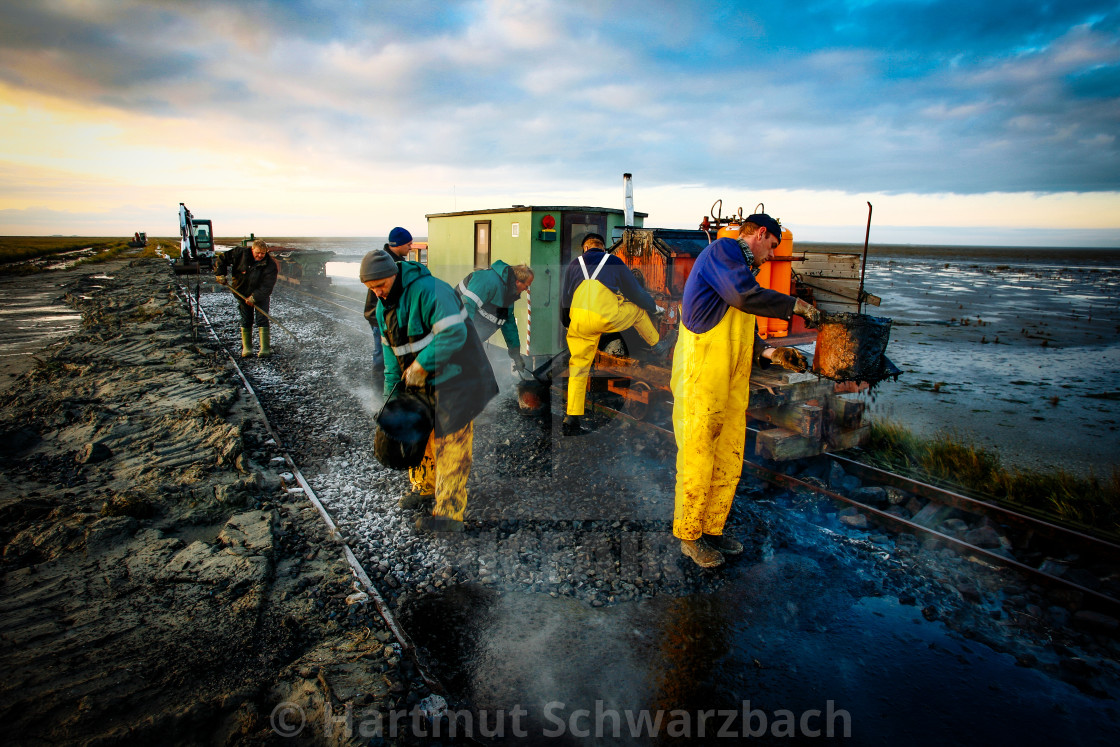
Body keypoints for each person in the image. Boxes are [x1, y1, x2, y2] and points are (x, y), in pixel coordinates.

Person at [671, 213, 821, 568]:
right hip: (701, 382)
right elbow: (742, 295)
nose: (772, 254)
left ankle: (713, 530)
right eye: (772, 246)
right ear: (762, 234)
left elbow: (745, 336)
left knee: (728, 459)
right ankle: (689, 538)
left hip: (729, 388)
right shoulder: (723, 251)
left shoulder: (742, 275)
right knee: (697, 460)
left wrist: (774, 353)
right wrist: (792, 306)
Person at [361, 249, 498, 532]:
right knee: (418, 431)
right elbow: (392, 362)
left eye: (381, 286)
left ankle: (449, 514)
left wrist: (422, 365)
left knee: (451, 444)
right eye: (371, 289)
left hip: (459, 378)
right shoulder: (381, 307)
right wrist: (393, 400)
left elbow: (454, 334)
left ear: (394, 275)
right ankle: (423, 487)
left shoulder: (432, 291)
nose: (378, 293)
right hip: (420, 381)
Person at [560, 232, 663, 436]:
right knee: (638, 311)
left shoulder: (574, 264)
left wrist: (567, 325)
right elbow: (636, 293)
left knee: (578, 370)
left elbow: (565, 301)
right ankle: (657, 345)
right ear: (603, 248)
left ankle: (571, 420)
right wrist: (653, 308)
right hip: (605, 317)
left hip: (579, 322)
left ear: (585, 248)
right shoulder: (613, 261)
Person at [456, 261, 534, 374]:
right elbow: (467, 306)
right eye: (526, 285)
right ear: (517, 281)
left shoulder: (508, 296)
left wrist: (516, 356)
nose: (526, 289)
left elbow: (508, 325)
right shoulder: (488, 281)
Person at [214, 239, 278, 358]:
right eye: (257, 253)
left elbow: (267, 285)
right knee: (246, 318)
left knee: (262, 319)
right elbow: (222, 259)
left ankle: (264, 348)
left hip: (260, 296)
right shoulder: (240, 253)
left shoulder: (270, 265)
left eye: (263, 253)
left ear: (266, 252)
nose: (260, 256)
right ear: (252, 249)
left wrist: (254, 297)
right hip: (241, 292)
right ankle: (247, 348)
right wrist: (220, 274)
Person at [364, 227, 415, 373]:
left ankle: (391, 387)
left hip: (387, 317)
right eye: (408, 244)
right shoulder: (387, 264)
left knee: (391, 356)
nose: (411, 248)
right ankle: (378, 392)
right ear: (398, 244)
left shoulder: (392, 261)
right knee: (382, 357)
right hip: (380, 318)